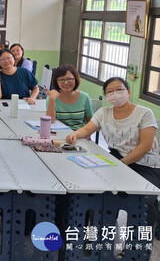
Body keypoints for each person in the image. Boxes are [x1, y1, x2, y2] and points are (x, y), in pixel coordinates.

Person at [66, 77, 160, 228]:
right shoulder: (104, 112)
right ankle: (99, 236)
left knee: (141, 201)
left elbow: (145, 146)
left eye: (119, 90)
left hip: (146, 165)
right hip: (117, 161)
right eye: (110, 91)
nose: (115, 94)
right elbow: (87, 129)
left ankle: (136, 247)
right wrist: (75, 135)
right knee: (95, 192)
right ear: (107, 96)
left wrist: (121, 165)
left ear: (128, 92)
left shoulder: (144, 113)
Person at [46, 64, 93, 130]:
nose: (66, 83)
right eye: (61, 79)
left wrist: (87, 135)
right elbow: (50, 121)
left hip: (80, 135)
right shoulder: (52, 98)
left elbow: (90, 122)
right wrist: (52, 99)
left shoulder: (84, 97)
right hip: (59, 135)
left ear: (75, 80)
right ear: (56, 82)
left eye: (69, 79)